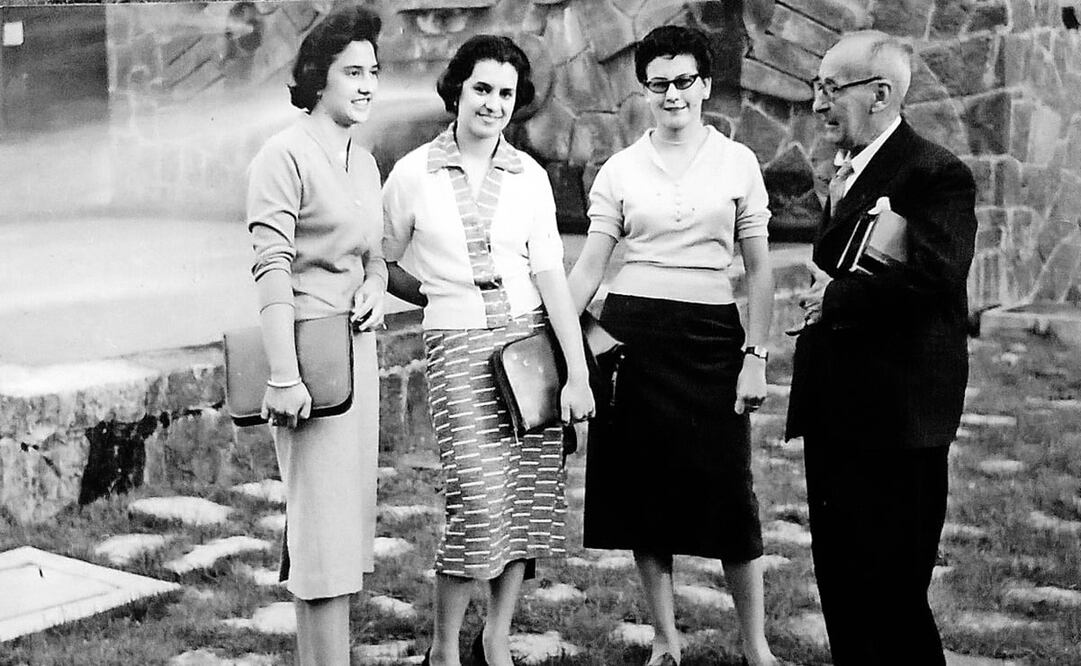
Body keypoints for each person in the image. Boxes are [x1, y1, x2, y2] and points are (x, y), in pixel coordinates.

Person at [568, 25, 781, 666]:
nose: (671, 95)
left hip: (713, 339)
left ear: (706, 85)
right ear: (644, 90)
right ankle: (666, 641)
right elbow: (587, 270)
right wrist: (548, 325)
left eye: (683, 81)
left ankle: (756, 646)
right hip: (634, 342)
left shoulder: (738, 162)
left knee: (730, 497)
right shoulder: (620, 170)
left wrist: (756, 356)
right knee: (644, 496)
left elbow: (762, 271)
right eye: (657, 84)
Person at [381, 34, 594, 666]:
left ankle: (495, 637)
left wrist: (576, 373)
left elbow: (553, 278)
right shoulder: (412, 172)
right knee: (475, 501)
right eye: (482, 88)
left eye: (506, 93)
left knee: (524, 500)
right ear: (457, 90)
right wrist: (439, 299)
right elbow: (380, 260)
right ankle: (444, 648)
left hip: (528, 348)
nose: (493, 103)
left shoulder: (529, 176)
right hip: (456, 351)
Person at [785, 30, 978, 665]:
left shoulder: (934, 173)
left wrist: (833, 299)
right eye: (816, 88)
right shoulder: (848, 170)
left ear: (880, 93)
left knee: (893, 594)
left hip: (900, 422)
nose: (817, 104)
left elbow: (937, 275)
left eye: (828, 89)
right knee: (842, 587)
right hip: (838, 411)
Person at [245, 6, 386, 665]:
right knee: (320, 536)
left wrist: (376, 285)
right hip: (306, 358)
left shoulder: (363, 159)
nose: (366, 86)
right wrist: (282, 374)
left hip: (357, 355)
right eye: (351, 72)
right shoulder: (282, 155)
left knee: (343, 532)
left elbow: (374, 253)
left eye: (373, 73)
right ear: (316, 78)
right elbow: (270, 266)